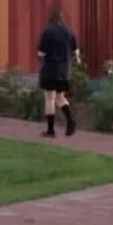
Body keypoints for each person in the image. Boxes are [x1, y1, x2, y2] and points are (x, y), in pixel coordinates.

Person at [36, 8, 79, 138]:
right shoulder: (69, 31)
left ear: (51, 18)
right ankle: (71, 120)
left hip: (50, 68)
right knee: (60, 97)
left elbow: (41, 53)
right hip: (64, 70)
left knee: (50, 98)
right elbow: (75, 51)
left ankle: (50, 130)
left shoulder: (48, 32)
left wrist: (40, 56)